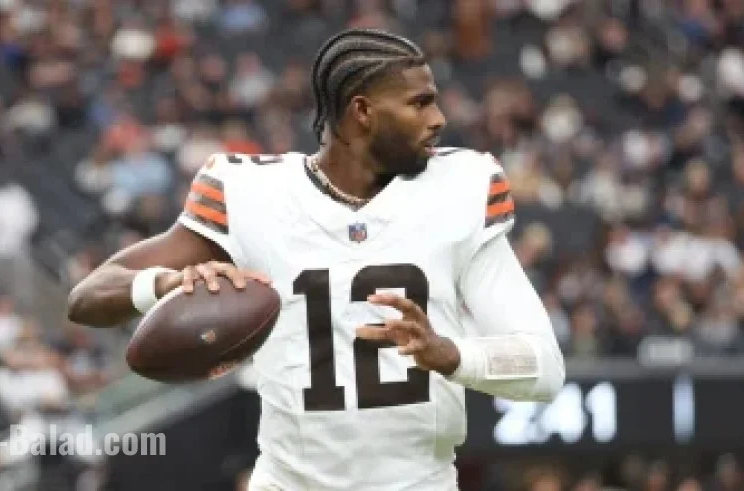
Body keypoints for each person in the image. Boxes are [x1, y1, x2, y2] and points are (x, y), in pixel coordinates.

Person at [67, 28, 565, 491]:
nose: (438, 119)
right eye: (420, 103)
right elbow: (87, 297)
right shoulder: (251, 194)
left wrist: (451, 354)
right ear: (363, 111)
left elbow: (544, 367)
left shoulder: (460, 189)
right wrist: (166, 284)